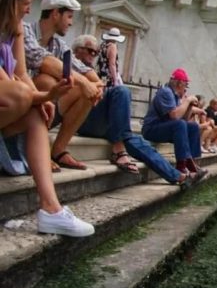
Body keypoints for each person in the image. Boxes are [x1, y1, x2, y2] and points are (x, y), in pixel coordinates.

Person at [0, 0, 93, 236]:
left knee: (34, 114)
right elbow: (9, 82)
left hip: (8, 101)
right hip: (7, 96)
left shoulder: (15, 27)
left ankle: (51, 209)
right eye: (26, 1)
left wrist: (46, 98)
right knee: (23, 97)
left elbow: (20, 74)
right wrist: (39, 96)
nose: (30, 8)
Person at [72, 34, 195, 186]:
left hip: (100, 118)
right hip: (81, 120)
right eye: (89, 51)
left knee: (137, 142)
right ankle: (118, 148)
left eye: (95, 52)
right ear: (77, 50)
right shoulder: (70, 65)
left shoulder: (92, 71)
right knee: (121, 91)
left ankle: (176, 175)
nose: (93, 55)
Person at [24, 0, 103, 171]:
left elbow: (83, 69)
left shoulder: (59, 44)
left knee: (89, 91)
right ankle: (39, 151)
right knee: (46, 81)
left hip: (48, 106)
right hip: (23, 104)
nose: (71, 22)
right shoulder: (25, 30)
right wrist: (84, 82)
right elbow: (43, 60)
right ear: (55, 14)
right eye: (68, 16)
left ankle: (58, 150)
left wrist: (96, 84)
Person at [141, 68, 208, 181]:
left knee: (192, 127)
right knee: (180, 124)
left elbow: (184, 119)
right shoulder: (166, 92)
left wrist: (190, 106)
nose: (186, 89)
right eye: (186, 85)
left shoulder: (175, 96)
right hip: (151, 129)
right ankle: (182, 167)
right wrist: (187, 101)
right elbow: (175, 116)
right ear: (180, 83)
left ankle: (193, 163)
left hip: (165, 128)